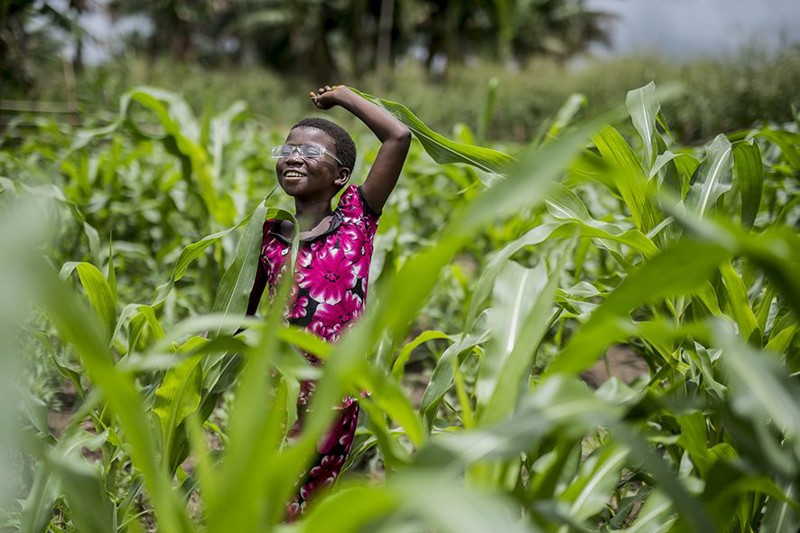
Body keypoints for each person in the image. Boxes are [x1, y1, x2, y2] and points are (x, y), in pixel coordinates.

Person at [246, 84, 411, 519]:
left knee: (306, 495)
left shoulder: (357, 217)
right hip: (276, 387)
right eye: (288, 148)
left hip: (332, 392)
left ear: (340, 177)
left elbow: (398, 138)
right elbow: (242, 311)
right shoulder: (270, 235)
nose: (294, 156)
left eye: (310, 151)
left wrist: (343, 97)